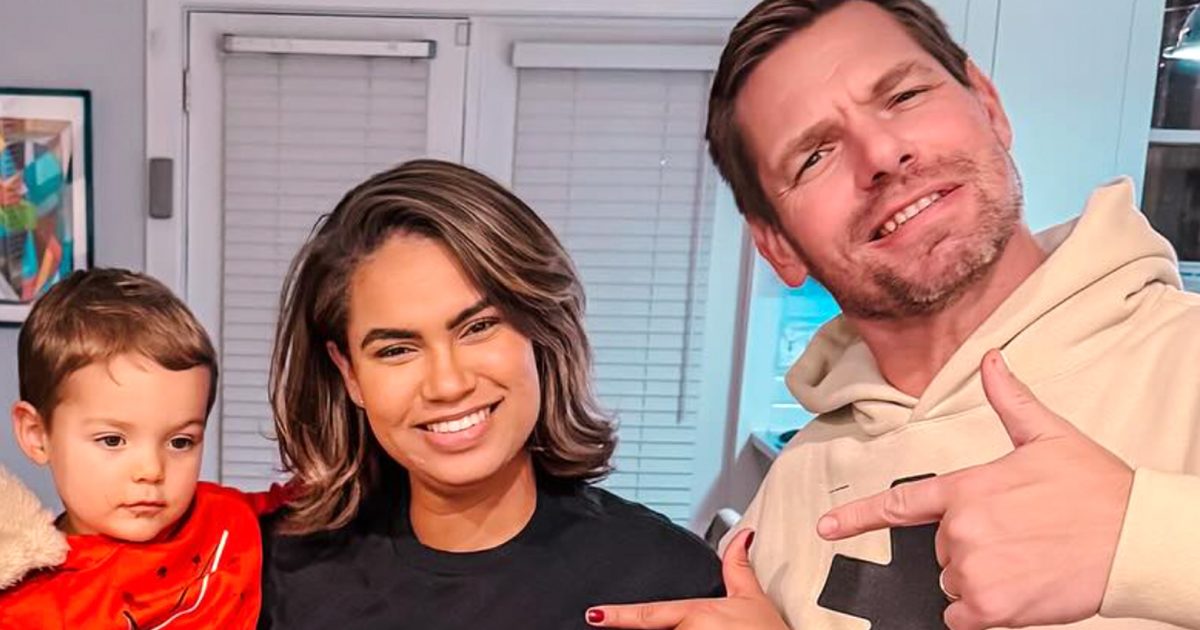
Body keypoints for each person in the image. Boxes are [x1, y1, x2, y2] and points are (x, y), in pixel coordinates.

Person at [586, 1, 1200, 629]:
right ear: (776, 245)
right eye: (813, 157)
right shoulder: (792, 491)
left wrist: (1149, 541)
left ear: (988, 105)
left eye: (905, 96)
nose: (880, 153)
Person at [256, 158, 724, 629]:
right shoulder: (271, 575)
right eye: (397, 350)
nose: (448, 384)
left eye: (478, 327)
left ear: (539, 327)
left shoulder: (669, 582)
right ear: (349, 373)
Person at [0, 268, 289, 629]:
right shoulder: (24, 609)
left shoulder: (225, 517)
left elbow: (318, 502)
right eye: (112, 440)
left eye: (180, 442)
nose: (151, 470)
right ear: (36, 434)